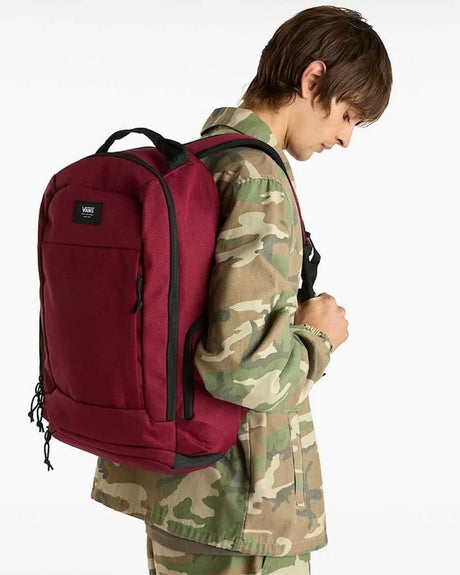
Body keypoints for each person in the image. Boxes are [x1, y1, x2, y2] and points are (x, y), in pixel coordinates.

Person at [90, 6, 392, 574]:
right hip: (241, 508)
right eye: (348, 114)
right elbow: (238, 368)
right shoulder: (258, 179)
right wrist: (318, 338)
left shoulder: (197, 161)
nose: (346, 138)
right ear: (313, 79)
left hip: (173, 485)